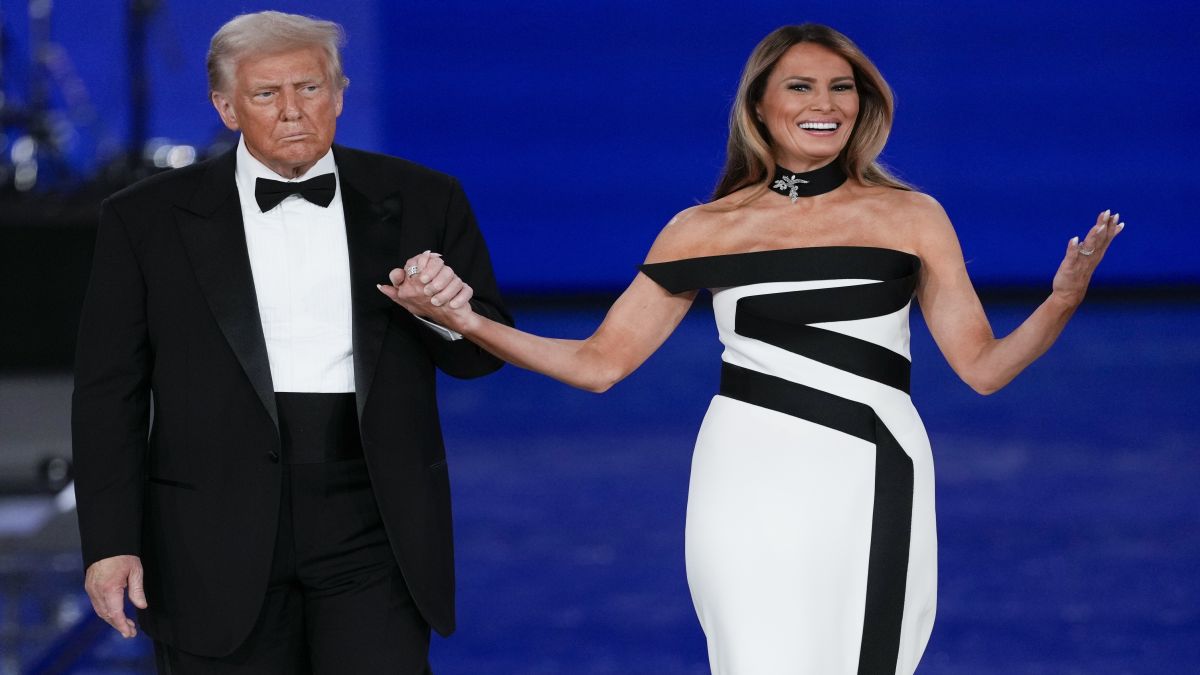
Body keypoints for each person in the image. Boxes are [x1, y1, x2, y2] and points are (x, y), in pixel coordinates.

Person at [379, 23, 1122, 675]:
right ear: (759, 105)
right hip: (743, 474)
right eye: (800, 86)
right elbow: (598, 363)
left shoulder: (912, 216)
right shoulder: (701, 229)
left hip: (869, 471)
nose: (823, 104)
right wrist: (466, 320)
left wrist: (1060, 302)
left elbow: (983, 369)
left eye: (842, 87)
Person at [72, 11, 510, 674]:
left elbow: (479, 354)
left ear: (338, 94)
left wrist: (446, 312)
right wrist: (109, 541)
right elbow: (110, 393)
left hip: (374, 516)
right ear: (225, 107)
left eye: (310, 89)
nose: (293, 112)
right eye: (266, 94)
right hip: (208, 526)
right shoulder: (144, 219)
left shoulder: (424, 199)